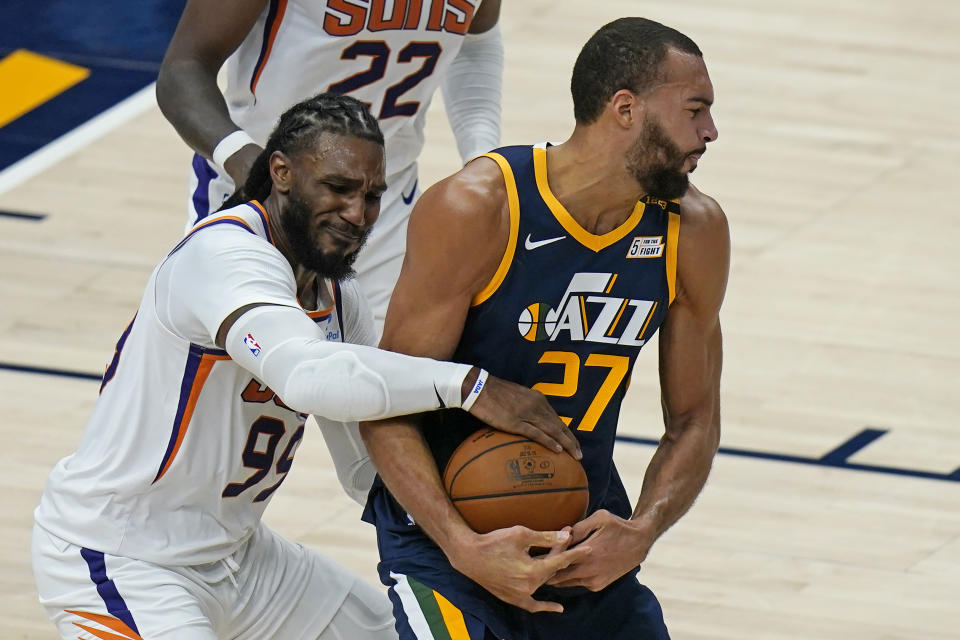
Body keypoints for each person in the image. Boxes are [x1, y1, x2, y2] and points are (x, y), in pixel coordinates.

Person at [31, 93, 579, 640]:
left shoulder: (339, 293)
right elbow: (307, 375)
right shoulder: (224, 255)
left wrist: (466, 541)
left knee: (406, 632)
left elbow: (367, 464)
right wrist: (471, 385)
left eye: (371, 197)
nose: (357, 214)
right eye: (338, 189)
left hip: (242, 560)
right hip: (123, 554)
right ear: (281, 172)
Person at [358, 17, 729, 640]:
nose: (710, 131)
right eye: (696, 110)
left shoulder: (692, 231)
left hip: (583, 539)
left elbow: (694, 421)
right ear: (626, 109)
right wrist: (459, 545)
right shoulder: (478, 208)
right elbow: (385, 402)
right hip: (447, 542)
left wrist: (640, 532)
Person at [157, 0, 504, 334]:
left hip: (385, 201)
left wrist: (481, 159)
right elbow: (184, 69)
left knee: (380, 376)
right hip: (269, 193)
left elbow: (476, 44)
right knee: (242, 375)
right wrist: (248, 162)